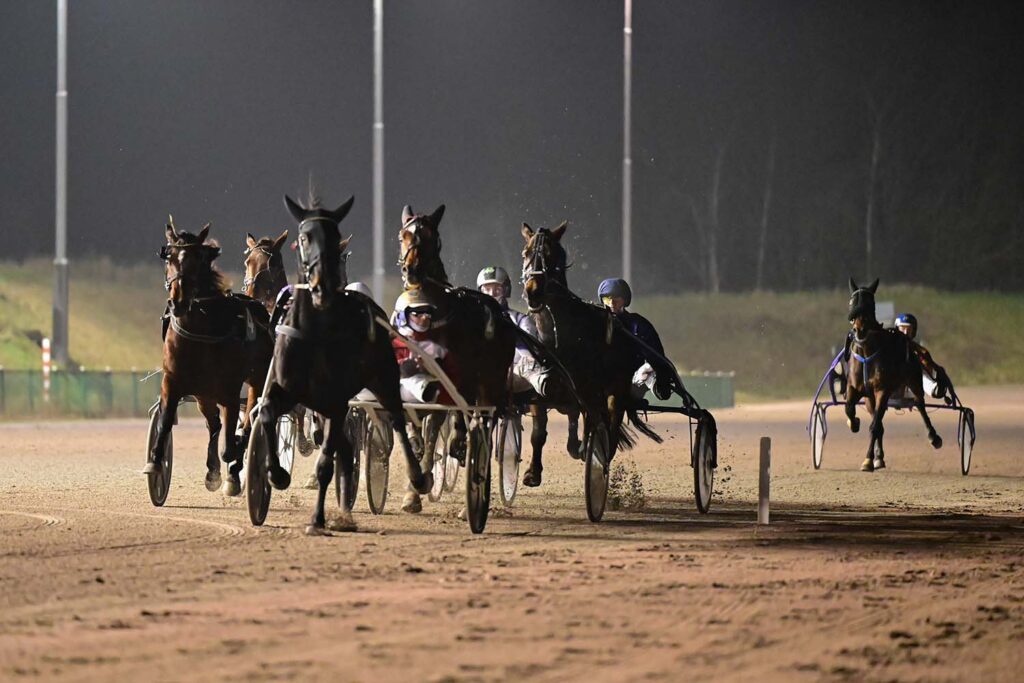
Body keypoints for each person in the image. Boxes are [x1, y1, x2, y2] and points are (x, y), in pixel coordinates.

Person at [476, 265, 549, 397]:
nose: (491, 294)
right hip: (479, 374)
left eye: (497, 289)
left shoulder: (521, 319)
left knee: (529, 362)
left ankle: (547, 386)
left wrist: (508, 334)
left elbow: (530, 354)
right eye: (487, 289)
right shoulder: (472, 318)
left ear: (506, 291)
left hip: (511, 375)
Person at [597, 278, 672, 400]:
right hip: (603, 380)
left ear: (625, 300)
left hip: (633, 379)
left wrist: (656, 373)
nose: (611, 303)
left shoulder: (638, 324)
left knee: (649, 369)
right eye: (607, 298)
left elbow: (657, 355)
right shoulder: (596, 323)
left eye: (616, 298)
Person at [894, 313, 951, 400]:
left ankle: (934, 389)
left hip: (913, 387)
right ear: (897, 329)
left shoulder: (919, 350)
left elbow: (929, 368)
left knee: (920, 372)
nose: (905, 332)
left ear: (913, 331)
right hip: (892, 386)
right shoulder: (889, 346)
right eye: (903, 328)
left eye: (909, 329)